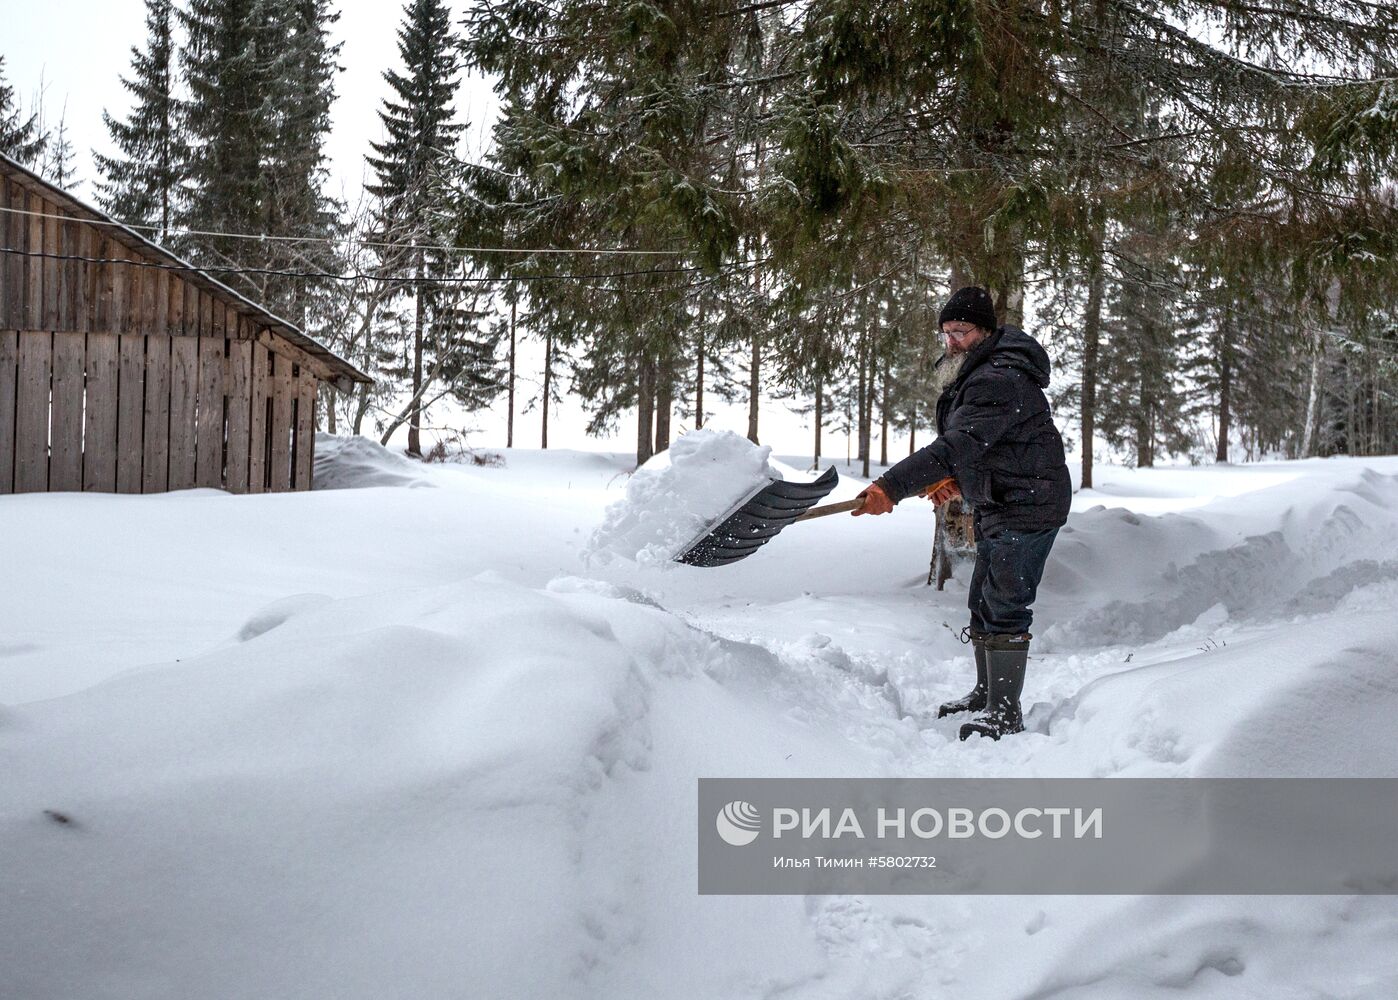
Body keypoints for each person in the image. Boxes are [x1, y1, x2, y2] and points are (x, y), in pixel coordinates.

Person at [853, 286, 1071, 741]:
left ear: (986, 331)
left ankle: (1005, 713)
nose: (951, 342)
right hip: (1001, 497)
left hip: (1028, 504)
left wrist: (890, 486)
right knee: (981, 602)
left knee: (1006, 606)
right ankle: (985, 695)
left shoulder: (999, 378)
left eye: (961, 332)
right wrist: (955, 479)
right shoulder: (979, 370)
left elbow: (957, 445)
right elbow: (981, 445)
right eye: (946, 333)